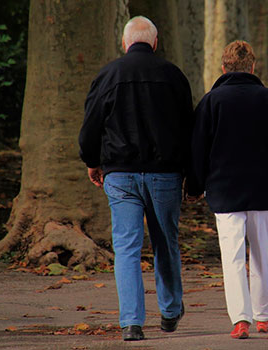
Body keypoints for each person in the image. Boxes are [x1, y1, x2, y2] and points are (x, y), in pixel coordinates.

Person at [78, 16, 192, 341]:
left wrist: (92, 161)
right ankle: (170, 311)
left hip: (121, 174)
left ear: (125, 43)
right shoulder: (173, 76)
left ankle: (131, 322)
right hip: (165, 175)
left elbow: (91, 125)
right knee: (165, 242)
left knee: (126, 248)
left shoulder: (108, 74)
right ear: (155, 43)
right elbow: (189, 129)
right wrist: (192, 174)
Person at [187, 40, 268, 339]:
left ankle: (241, 319)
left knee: (232, 257)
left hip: (224, 191)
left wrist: (195, 185)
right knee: (263, 252)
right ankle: (265, 315)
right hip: (263, 189)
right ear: (253, 67)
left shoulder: (211, 102)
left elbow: (198, 149)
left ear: (223, 68)